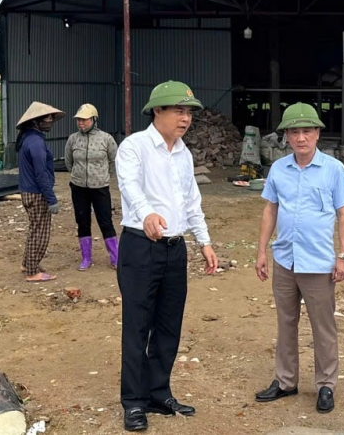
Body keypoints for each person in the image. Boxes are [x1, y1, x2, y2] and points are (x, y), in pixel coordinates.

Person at [115, 80, 219, 432]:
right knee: (137, 326)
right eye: (178, 110)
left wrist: (204, 241)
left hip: (175, 248)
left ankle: (158, 392)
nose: (185, 118)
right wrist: (146, 213)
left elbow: (191, 201)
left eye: (188, 112)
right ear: (156, 111)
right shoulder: (135, 146)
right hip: (141, 245)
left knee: (168, 325)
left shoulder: (184, 154)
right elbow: (129, 186)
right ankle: (133, 402)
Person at [253, 103, 344, 414]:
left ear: (318, 134)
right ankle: (286, 381)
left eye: (307, 131)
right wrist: (261, 251)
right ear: (286, 136)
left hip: (318, 262)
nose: (301, 138)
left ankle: (326, 385)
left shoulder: (333, 170)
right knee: (286, 323)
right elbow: (270, 209)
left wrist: (343, 256)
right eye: (294, 132)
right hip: (285, 259)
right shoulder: (278, 169)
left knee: (323, 327)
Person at [64, 103, 119, 271]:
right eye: (78, 120)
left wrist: (104, 175)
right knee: (82, 221)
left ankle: (115, 257)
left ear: (94, 119)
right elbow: (68, 161)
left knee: (105, 221)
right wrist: (77, 174)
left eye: (84, 120)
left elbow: (114, 160)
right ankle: (86, 257)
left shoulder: (106, 139)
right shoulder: (73, 139)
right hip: (79, 187)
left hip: (100, 187)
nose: (81, 123)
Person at [16, 101, 64, 283]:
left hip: (28, 190)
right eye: (47, 118)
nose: (50, 121)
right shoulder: (36, 142)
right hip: (37, 193)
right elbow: (41, 173)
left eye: (51, 118)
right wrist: (51, 199)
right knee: (41, 233)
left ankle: (28, 263)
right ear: (36, 121)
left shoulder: (27, 138)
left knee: (34, 228)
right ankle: (32, 272)